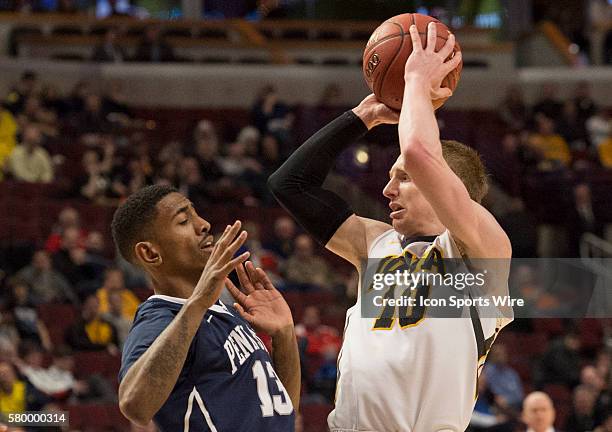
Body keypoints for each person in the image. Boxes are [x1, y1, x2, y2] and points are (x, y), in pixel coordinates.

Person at [269, 22, 513, 432]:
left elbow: (418, 151)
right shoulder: (375, 245)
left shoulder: (481, 248)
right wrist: (361, 116)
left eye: (403, 177)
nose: (387, 188)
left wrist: (416, 79)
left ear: (454, 190)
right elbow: (289, 185)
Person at [113, 185, 299, 430]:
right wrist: (198, 302)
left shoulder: (228, 313)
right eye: (183, 221)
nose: (203, 224)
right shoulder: (159, 318)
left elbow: (283, 412)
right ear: (150, 253)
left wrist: (284, 334)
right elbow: (134, 405)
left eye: (196, 213)